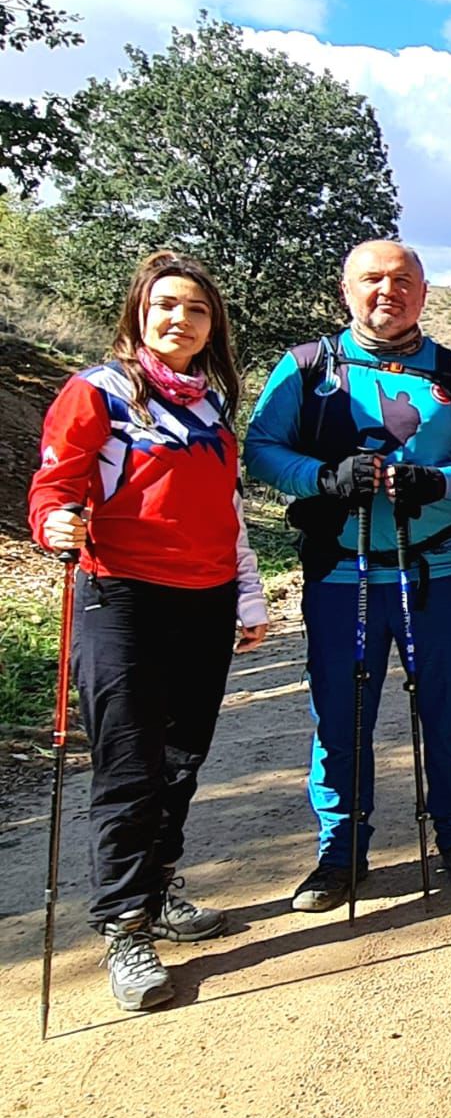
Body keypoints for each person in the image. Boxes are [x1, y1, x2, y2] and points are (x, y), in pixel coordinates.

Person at [28, 251, 268, 1012]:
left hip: (205, 599)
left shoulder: (208, 406)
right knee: (128, 768)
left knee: (181, 758)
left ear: (212, 327)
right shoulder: (95, 392)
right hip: (121, 598)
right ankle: (124, 925)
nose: (180, 319)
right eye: (166, 305)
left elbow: (227, 515)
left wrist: (250, 595)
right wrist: (53, 522)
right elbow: (54, 486)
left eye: (196, 310)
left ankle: (160, 890)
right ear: (139, 312)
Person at [244, 239, 451, 911]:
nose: (388, 291)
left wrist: (435, 481)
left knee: (450, 712)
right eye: (372, 280)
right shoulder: (306, 368)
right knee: (341, 716)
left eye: (403, 280)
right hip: (340, 574)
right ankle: (340, 853)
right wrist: (322, 479)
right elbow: (261, 449)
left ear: (423, 290)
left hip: (434, 572)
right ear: (345, 290)